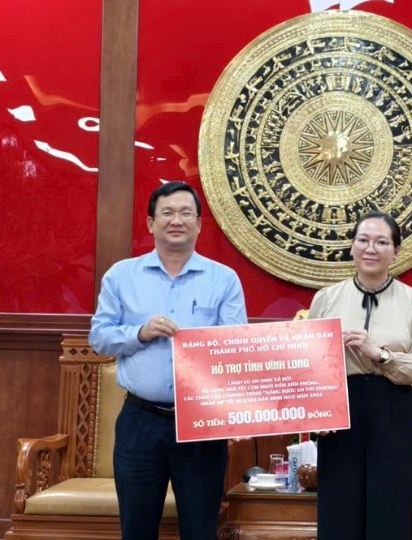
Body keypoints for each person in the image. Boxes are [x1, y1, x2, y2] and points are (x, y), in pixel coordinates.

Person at [89, 181, 246, 540]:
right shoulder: (121, 276)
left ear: (199, 224)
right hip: (140, 421)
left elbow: (236, 347)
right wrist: (140, 332)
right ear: (150, 223)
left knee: (200, 528)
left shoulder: (224, 280)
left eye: (186, 213)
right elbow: (99, 337)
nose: (177, 220)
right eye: (168, 213)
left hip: (202, 423)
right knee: (137, 527)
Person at [309, 211, 412, 540]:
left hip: (392, 407)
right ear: (351, 247)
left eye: (382, 242)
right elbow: (310, 366)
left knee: (388, 508)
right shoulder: (326, 299)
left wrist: (379, 354)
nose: (371, 248)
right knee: (338, 508)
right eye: (363, 240)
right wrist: (315, 413)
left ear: (396, 251)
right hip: (340, 411)